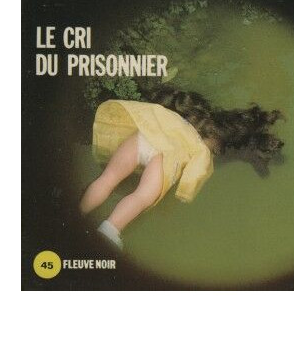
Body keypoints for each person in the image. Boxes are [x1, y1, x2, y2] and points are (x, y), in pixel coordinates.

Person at [79, 89, 283, 249]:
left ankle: (78, 211)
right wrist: (185, 190)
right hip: (163, 157)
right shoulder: (202, 151)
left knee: (107, 179)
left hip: (144, 136)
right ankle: (110, 229)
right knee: (140, 197)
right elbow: (194, 175)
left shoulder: (186, 116)